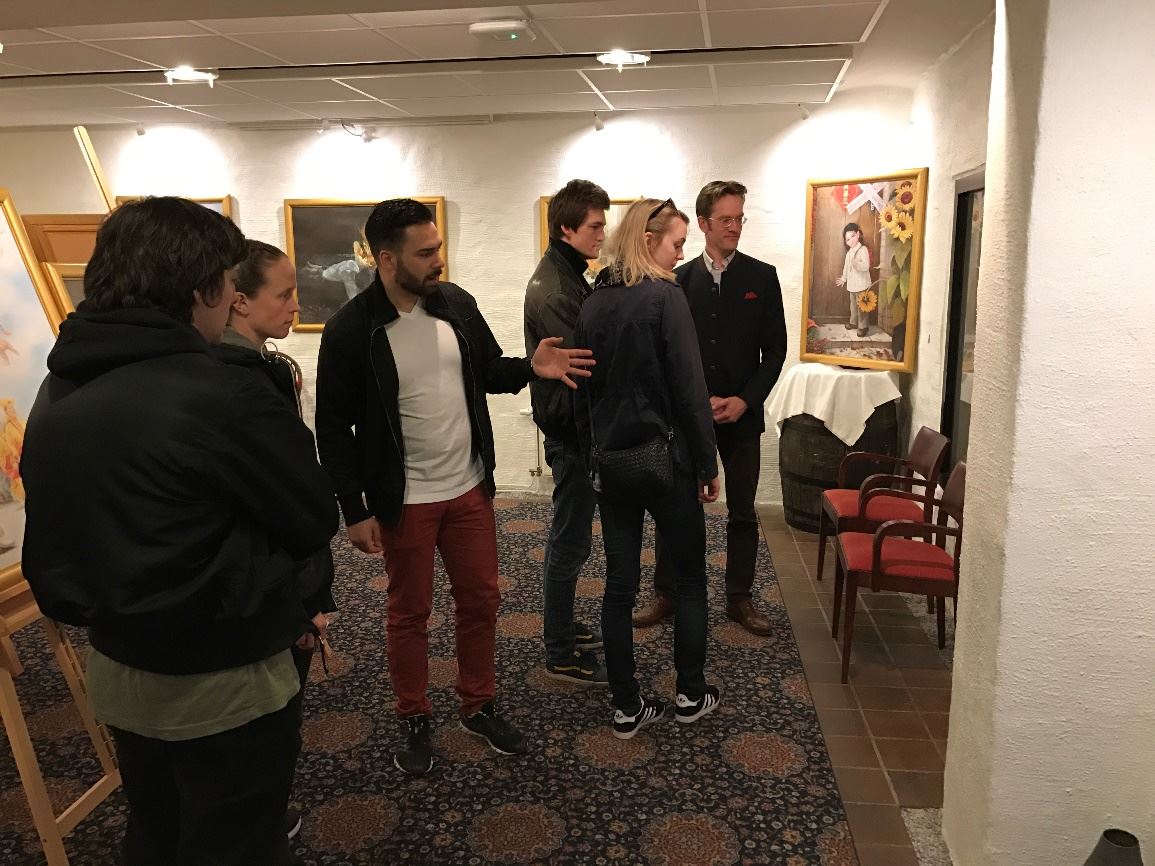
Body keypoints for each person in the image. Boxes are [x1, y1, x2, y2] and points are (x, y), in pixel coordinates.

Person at [20, 197, 337, 866]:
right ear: (203, 289)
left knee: (156, 829)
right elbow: (310, 516)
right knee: (237, 841)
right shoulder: (222, 392)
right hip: (221, 672)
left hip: (119, 663)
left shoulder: (57, 386)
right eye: (227, 280)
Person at [315, 198, 593, 775]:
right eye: (425, 253)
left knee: (481, 601)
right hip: (404, 499)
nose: (438, 260)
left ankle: (478, 704)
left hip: (468, 488)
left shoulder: (455, 304)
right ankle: (414, 713)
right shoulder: (351, 329)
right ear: (386, 259)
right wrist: (354, 508)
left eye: (438, 248)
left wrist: (530, 367)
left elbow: (487, 371)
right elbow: (333, 428)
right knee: (409, 612)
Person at [574, 198, 721, 740]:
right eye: (677, 244)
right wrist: (707, 462)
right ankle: (690, 693)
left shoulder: (593, 303)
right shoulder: (666, 297)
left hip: (612, 464)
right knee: (689, 580)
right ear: (648, 240)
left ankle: (626, 705)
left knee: (619, 587)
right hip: (670, 463)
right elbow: (690, 389)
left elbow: (582, 393)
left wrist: (591, 456)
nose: (681, 255)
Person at [212, 238, 337, 842]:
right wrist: (306, 596)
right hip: (267, 583)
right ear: (238, 301)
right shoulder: (236, 383)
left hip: (281, 574)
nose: (296, 305)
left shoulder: (264, 367)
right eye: (284, 294)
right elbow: (286, 502)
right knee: (265, 722)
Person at [635, 181, 787, 637]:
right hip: (687, 417)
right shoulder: (676, 281)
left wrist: (745, 400)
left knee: (743, 511)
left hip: (742, 416)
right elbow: (663, 353)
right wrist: (695, 402)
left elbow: (775, 351)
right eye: (725, 219)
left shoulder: (762, 277)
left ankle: (739, 597)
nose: (734, 227)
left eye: (739, 218)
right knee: (676, 507)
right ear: (703, 223)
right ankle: (668, 591)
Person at [524, 179, 611, 685]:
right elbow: (587, 365)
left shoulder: (568, 274)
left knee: (571, 537)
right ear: (566, 229)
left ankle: (562, 626)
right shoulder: (558, 289)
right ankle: (559, 651)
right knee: (570, 540)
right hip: (570, 428)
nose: (602, 234)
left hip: (570, 424)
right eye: (595, 226)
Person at [835, 221, 872, 337]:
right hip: (852, 285)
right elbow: (846, 267)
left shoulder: (863, 250)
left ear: (858, 234)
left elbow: (866, 266)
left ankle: (863, 326)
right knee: (853, 306)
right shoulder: (849, 253)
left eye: (852, 236)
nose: (850, 240)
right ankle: (853, 322)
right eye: (847, 239)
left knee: (862, 306)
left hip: (862, 284)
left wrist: (857, 264)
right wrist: (843, 278)